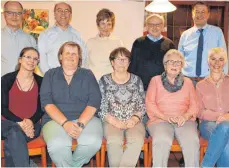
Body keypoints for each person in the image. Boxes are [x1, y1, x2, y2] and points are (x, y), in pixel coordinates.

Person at [40, 41, 102, 167]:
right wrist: (65, 123)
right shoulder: (50, 74)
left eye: (74, 54)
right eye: (67, 53)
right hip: (55, 120)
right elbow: (47, 103)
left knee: (93, 142)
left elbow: (94, 101)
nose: (71, 56)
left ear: (79, 57)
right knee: (58, 144)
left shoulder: (87, 74)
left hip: (86, 119)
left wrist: (80, 124)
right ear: (60, 56)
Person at [146, 49, 199, 167]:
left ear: (182, 66)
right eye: (171, 62)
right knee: (161, 140)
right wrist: (165, 117)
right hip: (160, 120)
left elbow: (195, 105)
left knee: (192, 141)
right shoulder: (155, 80)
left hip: (184, 120)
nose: (174, 65)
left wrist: (185, 116)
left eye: (178, 62)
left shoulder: (188, 82)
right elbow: (150, 103)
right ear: (165, 65)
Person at [98, 47, 146, 167]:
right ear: (112, 62)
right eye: (119, 59)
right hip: (111, 121)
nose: (122, 62)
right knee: (114, 141)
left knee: (136, 140)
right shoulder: (104, 80)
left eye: (125, 59)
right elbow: (101, 107)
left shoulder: (136, 80)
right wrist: (114, 121)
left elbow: (142, 105)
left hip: (133, 120)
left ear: (129, 63)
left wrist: (134, 119)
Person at [1, 47, 43, 167]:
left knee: (13, 137)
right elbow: (2, 108)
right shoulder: (6, 79)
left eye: (35, 59)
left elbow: (41, 108)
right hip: (5, 123)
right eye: (28, 57)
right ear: (20, 59)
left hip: (32, 125)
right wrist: (21, 123)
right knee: (14, 130)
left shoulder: (41, 81)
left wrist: (30, 122)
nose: (31, 61)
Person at [178, 2, 228, 84]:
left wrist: (223, 78)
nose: (200, 15)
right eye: (197, 12)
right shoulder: (185, 35)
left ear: (208, 14)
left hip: (210, 81)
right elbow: (179, 59)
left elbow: (224, 56)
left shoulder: (217, 32)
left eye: (203, 12)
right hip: (187, 81)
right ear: (192, 14)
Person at [196, 48, 229, 167]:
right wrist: (219, 116)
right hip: (208, 123)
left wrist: (227, 116)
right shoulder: (200, 85)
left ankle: (205, 165)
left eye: (221, 59)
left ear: (224, 62)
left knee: (226, 140)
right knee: (225, 129)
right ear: (208, 62)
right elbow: (199, 111)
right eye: (213, 59)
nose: (217, 63)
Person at [128, 14, 175, 91]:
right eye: (151, 24)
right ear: (146, 27)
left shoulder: (169, 44)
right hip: (142, 88)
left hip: (163, 88)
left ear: (163, 26)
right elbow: (133, 66)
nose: (154, 27)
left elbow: (174, 66)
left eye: (158, 24)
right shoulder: (138, 43)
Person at [38, 2, 87, 75]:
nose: (63, 13)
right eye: (59, 10)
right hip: (53, 79)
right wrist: (50, 77)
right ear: (54, 14)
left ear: (70, 15)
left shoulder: (77, 35)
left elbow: (83, 58)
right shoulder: (45, 35)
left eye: (66, 11)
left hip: (74, 79)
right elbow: (41, 61)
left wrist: (77, 76)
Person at [86, 8, 123, 80]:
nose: (105, 27)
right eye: (103, 23)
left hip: (112, 82)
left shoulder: (118, 42)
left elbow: (122, 64)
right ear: (98, 24)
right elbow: (85, 64)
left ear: (112, 26)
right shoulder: (90, 42)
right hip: (93, 82)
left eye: (109, 24)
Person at [1, 1, 36, 76]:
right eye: (10, 12)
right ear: (4, 14)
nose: (14, 16)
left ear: (23, 15)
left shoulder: (30, 40)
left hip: (25, 85)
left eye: (18, 13)